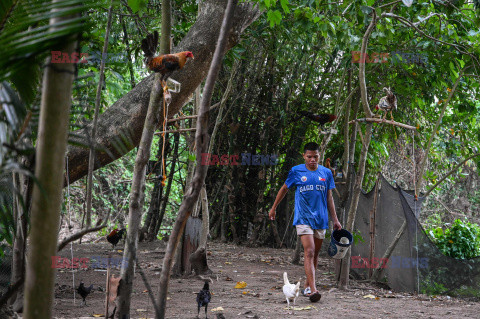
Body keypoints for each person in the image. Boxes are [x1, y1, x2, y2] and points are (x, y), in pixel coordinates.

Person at [269, 142, 342, 302]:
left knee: (315, 253)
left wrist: (335, 219)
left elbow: (329, 198)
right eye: (309, 157)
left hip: (321, 219)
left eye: (315, 157)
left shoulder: (326, 173)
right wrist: (273, 207)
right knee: (309, 251)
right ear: (304, 156)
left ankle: (308, 286)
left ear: (319, 156)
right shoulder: (296, 171)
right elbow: (284, 188)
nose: (312, 160)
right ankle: (313, 290)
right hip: (303, 219)